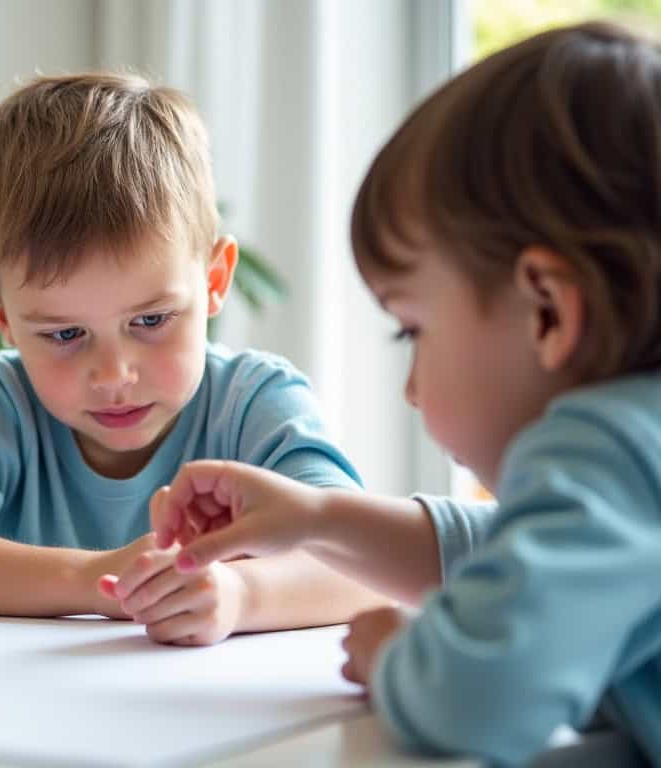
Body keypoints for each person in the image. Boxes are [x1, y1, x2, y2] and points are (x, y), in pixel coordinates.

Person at [141, 21, 661, 766]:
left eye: (412, 330)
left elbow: (479, 699)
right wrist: (316, 516)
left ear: (547, 309)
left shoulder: (609, 447)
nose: (412, 389)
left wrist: (398, 657)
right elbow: (516, 556)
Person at [0, 72, 385, 645]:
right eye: (65, 333)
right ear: (3, 318)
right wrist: (98, 579)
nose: (114, 376)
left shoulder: (256, 401)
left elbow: (363, 561)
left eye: (150, 321)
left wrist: (241, 597)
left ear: (215, 280)